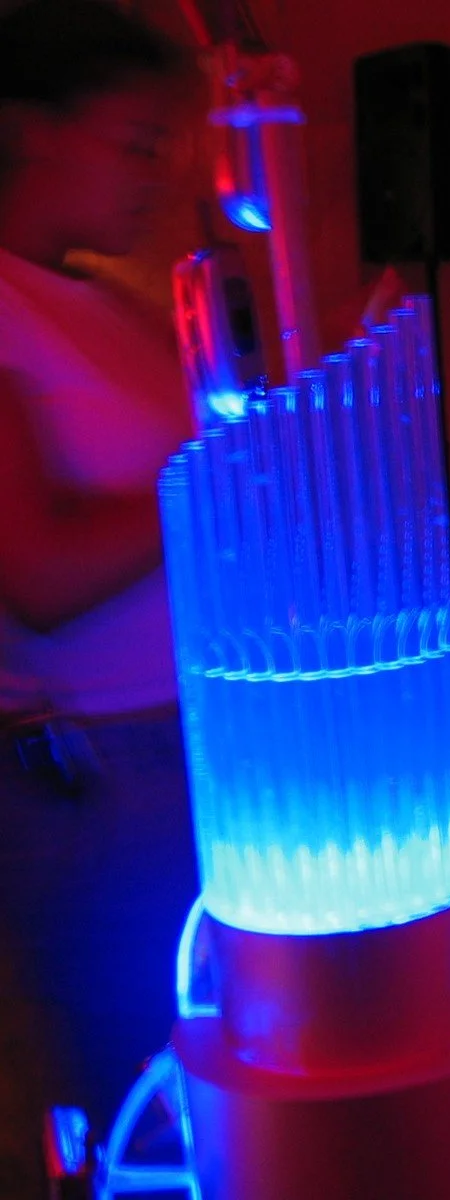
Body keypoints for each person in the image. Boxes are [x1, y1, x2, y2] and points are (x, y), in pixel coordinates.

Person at [0, 1, 197, 1189]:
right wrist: (215, 474)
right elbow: (40, 575)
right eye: (134, 140)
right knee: (126, 1098)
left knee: (208, 1062)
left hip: (182, 749)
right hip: (93, 781)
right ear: (31, 131)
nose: (154, 171)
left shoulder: (105, 303)